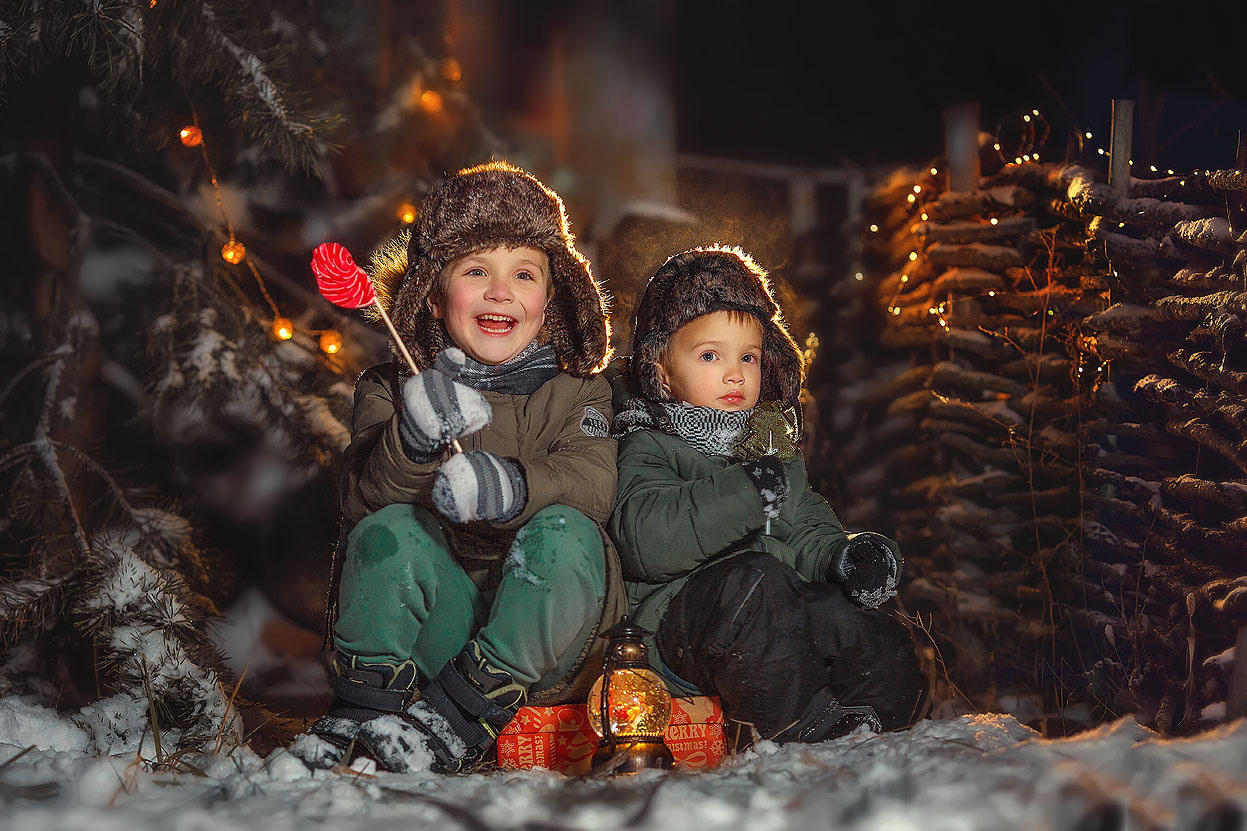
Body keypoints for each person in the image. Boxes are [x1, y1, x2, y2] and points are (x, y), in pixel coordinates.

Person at [293, 161, 624, 774]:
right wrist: (413, 440)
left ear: (551, 301)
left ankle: (465, 715)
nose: (501, 292)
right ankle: (365, 707)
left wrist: (513, 486)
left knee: (568, 531)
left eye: (523, 274)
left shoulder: (579, 391)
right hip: (442, 633)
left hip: (545, 643)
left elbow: (594, 485)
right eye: (476, 271)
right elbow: (363, 500)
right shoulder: (390, 389)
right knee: (390, 527)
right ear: (436, 297)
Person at [608, 245, 925, 748]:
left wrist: (844, 556)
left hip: (773, 618)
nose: (735, 373)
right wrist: (745, 493)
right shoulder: (648, 443)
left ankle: (887, 717)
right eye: (710, 355)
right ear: (661, 369)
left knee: (846, 613)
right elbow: (645, 537)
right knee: (756, 581)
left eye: (748, 357)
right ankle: (801, 731)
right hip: (680, 626)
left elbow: (806, 526)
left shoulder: (769, 448)